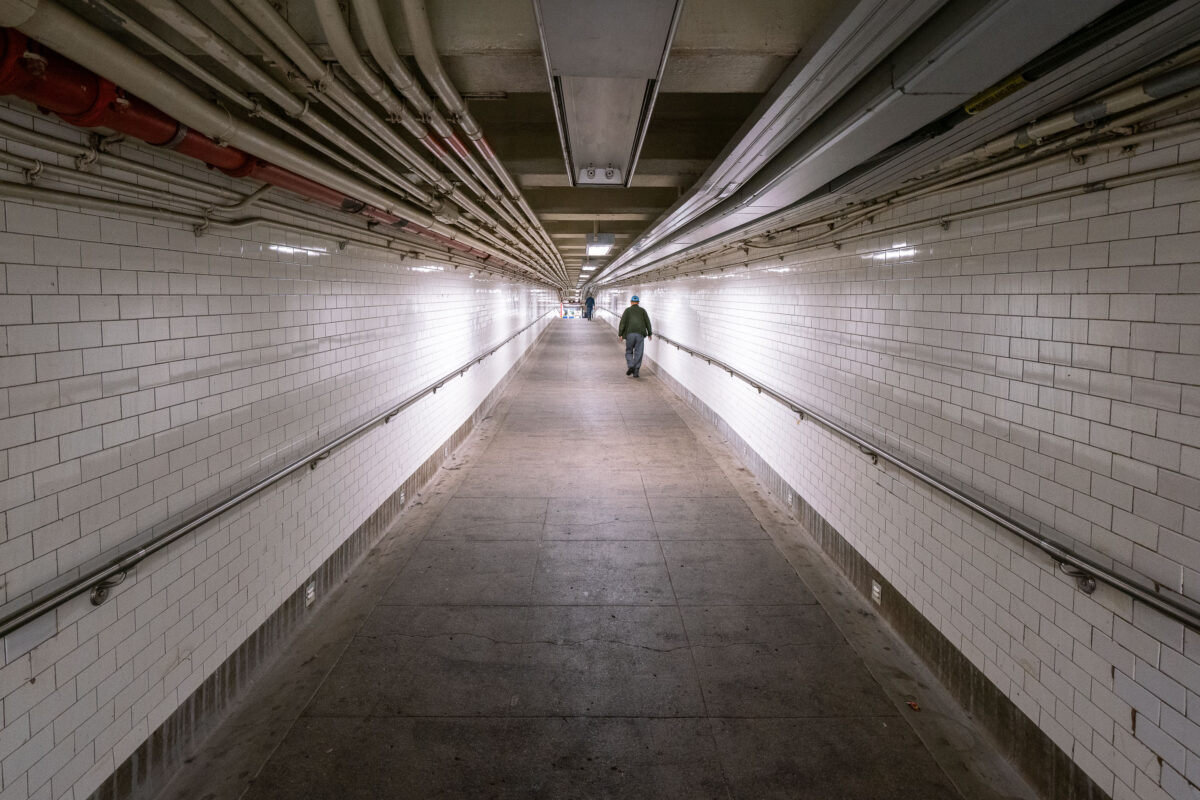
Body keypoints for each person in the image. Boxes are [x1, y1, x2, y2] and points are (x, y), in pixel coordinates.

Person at [617, 295, 652, 377]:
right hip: (640, 335)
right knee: (638, 353)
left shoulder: (627, 310)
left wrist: (620, 334)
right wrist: (649, 333)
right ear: (638, 302)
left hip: (630, 334)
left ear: (631, 302)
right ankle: (636, 372)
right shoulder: (643, 311)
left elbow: (622, 323)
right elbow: (648, 322)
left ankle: (631, 365)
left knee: (629, 351)